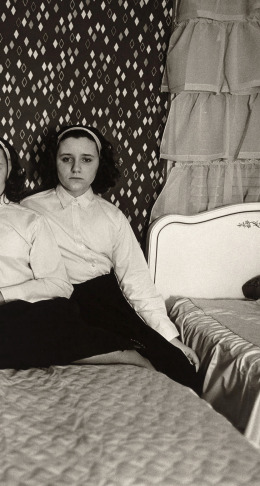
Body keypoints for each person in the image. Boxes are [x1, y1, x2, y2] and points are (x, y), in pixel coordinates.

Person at [0, 132, 146, 370]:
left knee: (55, 315)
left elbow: (60, 284)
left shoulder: (30, 219)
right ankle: (111, 352)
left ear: (8, 171)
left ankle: (123, 352)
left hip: (29, 312)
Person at [21, 124, 201, 392]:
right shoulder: (30, 208)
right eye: (66, 159)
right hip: (57, 302)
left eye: (86, 160)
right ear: (54, 161)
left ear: (98, 164)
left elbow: (137, 281)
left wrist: (171, 338)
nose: (76, 168)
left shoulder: (112, 216)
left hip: (105, 301)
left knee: (179, 368)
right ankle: (120, 356)